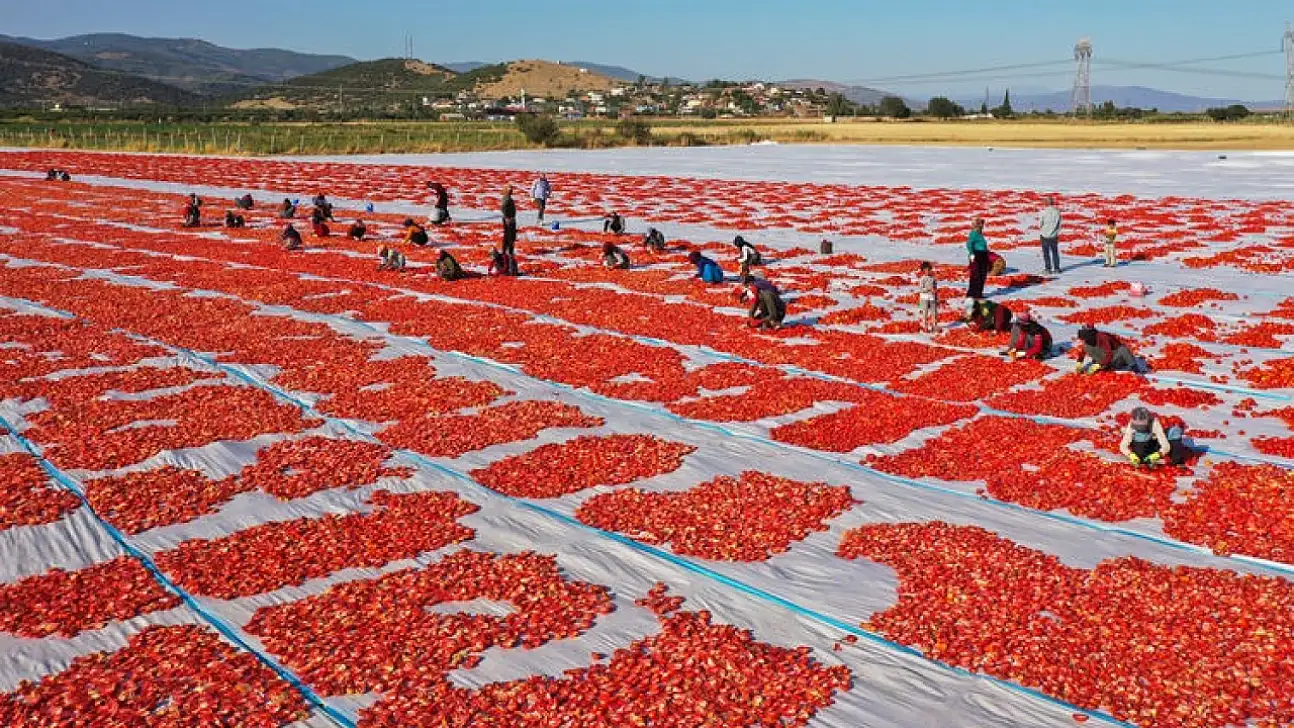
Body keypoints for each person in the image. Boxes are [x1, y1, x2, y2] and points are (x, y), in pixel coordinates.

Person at [1120, 407, 1190, 466]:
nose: (1139, 429)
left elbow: (1166, 446)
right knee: (1141, 458)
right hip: (1142, 444)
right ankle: (1145, 457)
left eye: (1142, 427)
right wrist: (1130, 454)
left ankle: (1173, 460)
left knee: (1175, 431)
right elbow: (1123, 446)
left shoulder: (1154, 423)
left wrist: (1158, 454)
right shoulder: (1132, 424)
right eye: (1137, 427)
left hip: (1154, 443)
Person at [966, 217, 990, 300]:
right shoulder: (974, 233)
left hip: (983, 255)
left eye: (982, 225)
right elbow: (969, 244)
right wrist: (972, 254)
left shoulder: (980, 234)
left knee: (982, 275)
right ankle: (973, 294)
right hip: (976, 255)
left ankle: (978, 293)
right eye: (980, 225)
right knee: (976, 275)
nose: (982, 227)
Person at [1038, 196, 1062, 275]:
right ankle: (1057, 268)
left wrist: (1042, 230)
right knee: (1055, 252)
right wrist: (1056, 231)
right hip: (1054, 235)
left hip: (1044, 234)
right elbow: (1059, 223)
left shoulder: (1043, 212)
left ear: (1046, 203)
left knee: (1046, 253)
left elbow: (1040, 223)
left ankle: (1048, 269)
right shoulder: (1057, 212)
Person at [917, 261, 939, 333]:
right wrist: (928, 289)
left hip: (932, 297)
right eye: (925, 270)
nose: (927, 271)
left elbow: (935, 288)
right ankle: (925, 326)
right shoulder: (922, 279)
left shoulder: (933, 278)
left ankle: (934, 326)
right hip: (924, 297)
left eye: (929, 270)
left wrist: (936, 295)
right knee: (925, 312)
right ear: (923, 271)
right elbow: (921, 289)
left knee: (934, 312)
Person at [501, 186, 518, 256]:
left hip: (510, 218)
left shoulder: (507, 198)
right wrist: (507, 217)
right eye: (509, 190)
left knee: (508, 235)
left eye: (511, 189)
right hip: (509, 219)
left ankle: (506, 251)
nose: (511, 191)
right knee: (510, 236)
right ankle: (509, 251)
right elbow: (503, 208)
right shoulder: (507, 198)